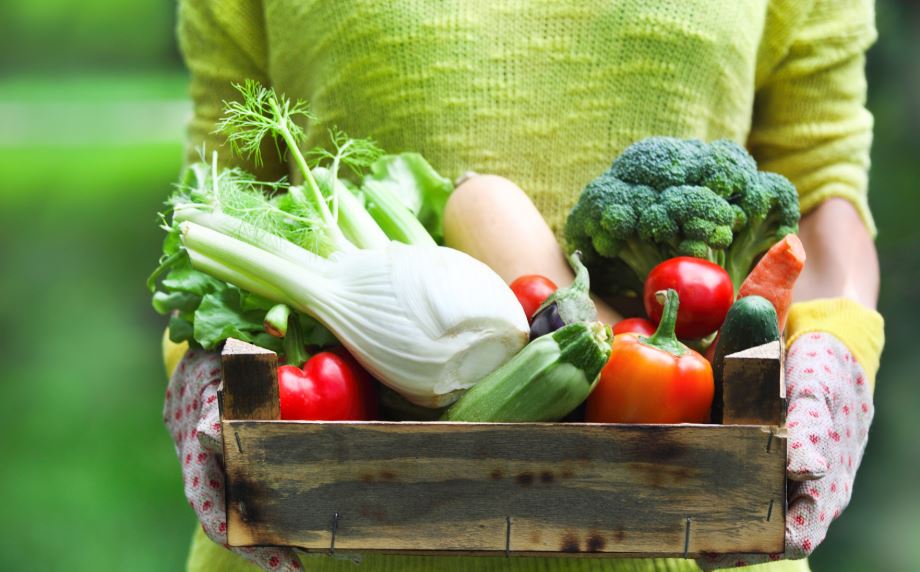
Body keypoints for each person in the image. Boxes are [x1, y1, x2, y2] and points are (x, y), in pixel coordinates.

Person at [163, 0, 885, 570]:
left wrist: (836, 351)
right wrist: (205, 369)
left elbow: (822, 179)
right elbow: (222, 191)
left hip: (699, 532)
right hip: (317, 546)